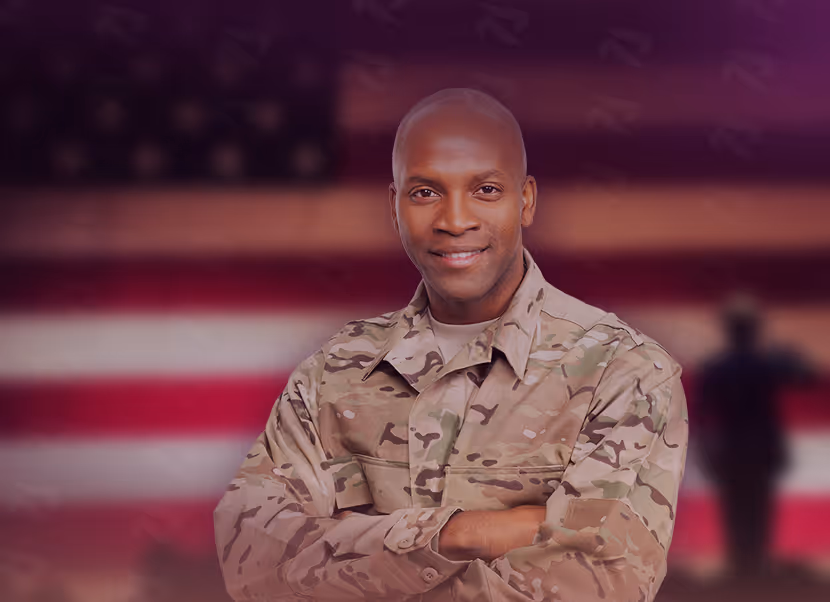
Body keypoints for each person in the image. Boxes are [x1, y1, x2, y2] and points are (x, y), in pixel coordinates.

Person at [214, 88, 689, 601]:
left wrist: (351, 549)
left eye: (486, 189)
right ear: (394, 207)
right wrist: (459, 535)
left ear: (526, 201)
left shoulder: (624, 374)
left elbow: (599, 584)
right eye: (425, 192)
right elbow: (252, 561)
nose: (455, 220)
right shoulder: (333, 373)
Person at [697, 293, 816, 578]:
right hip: (759, 449)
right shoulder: (766, 363)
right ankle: (752, 567)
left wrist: (707, 453)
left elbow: (700, 417)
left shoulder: (716, 367)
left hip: (732, 450)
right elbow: (807, 376)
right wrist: (790, 355)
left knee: (736, 510)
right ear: (753, 329)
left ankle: (743, 567)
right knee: (757, 509)